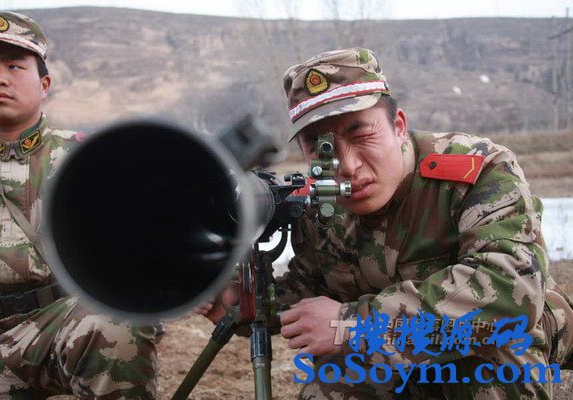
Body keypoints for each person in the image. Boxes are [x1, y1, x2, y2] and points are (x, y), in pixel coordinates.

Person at [198, 47, 573, 399]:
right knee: (332, 380)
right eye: (320, 148)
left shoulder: (476, 171)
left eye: (361, 135)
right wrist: (242, 303)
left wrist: (354, 324)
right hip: (395, 352)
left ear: (398, 126)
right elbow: (309, 288)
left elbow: (510, 289)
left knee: (494, 355)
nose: (348, 166)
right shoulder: (321, 205)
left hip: (501, 335)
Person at [0, 11, 157, 399]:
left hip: (61, 323)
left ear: (44, 84)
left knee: (117, 325)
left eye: (14, 66)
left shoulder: (87, 157)